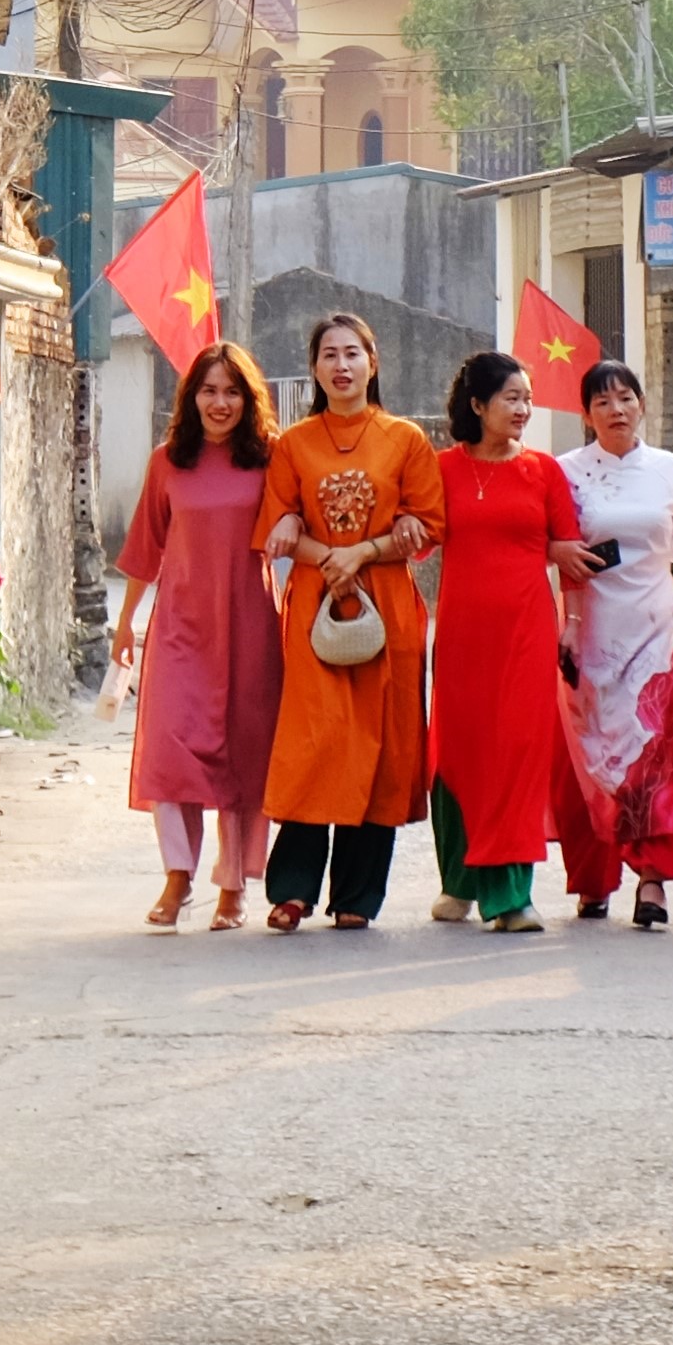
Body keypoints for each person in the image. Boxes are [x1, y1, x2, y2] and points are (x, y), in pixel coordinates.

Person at [253, 313, 448, 931]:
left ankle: (357, 897)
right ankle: (292, 890)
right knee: (317, 742)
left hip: (385, 605)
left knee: (382, 745)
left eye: (352, 354)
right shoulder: (294, 444)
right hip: (316, 604)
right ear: (314, 369)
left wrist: (362, 553)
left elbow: (425, 526)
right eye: (329, 356)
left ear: (373, 362)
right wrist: (329, 558)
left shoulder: (406, 440)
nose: (341, 366)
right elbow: (276, 527)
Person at [113, 342, 288, 932]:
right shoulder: (167, 462)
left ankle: (232, 885)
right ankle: (177, 876)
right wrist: (125, 624)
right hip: (180, 629)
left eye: (232, 391)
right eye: (209, 391)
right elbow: (145, 548)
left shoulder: (270, 460)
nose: (221, 402)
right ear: (191, 398)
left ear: (249, 399)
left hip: (251, 624)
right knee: (170, 750)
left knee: (243, 752)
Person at [428, 352, 596, 934]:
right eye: (511, 399)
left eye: (527, 398)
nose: (524, 409)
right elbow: (420, 538)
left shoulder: (545, 472)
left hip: (527, 632)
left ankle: (511, 896)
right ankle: (459, 880)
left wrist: (572, 624)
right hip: (459, 636)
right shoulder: (442, 469)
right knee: (458, 751)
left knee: (519, 754)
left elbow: (571, 553)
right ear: (478, 406)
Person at [553, 360, 673, 928]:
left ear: (642, 404)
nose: (616, 410)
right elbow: (562, 550)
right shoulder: (565, 471)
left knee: (653, 753)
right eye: (602, 402)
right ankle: (594, 878)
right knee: (594, 751)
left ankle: (652, 881)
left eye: (625, 398)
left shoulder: (667, 468)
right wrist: (568, 621)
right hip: (591, 626)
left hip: (654, 625)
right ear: (586, 413)